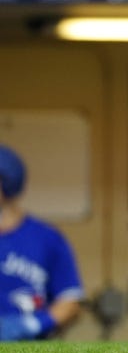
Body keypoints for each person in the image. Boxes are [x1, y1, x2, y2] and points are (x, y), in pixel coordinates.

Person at [0, 145, 83, 341]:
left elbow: (70, 302)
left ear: (8, 183)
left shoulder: (47, 238)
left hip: (30, 348)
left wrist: (31, 324)